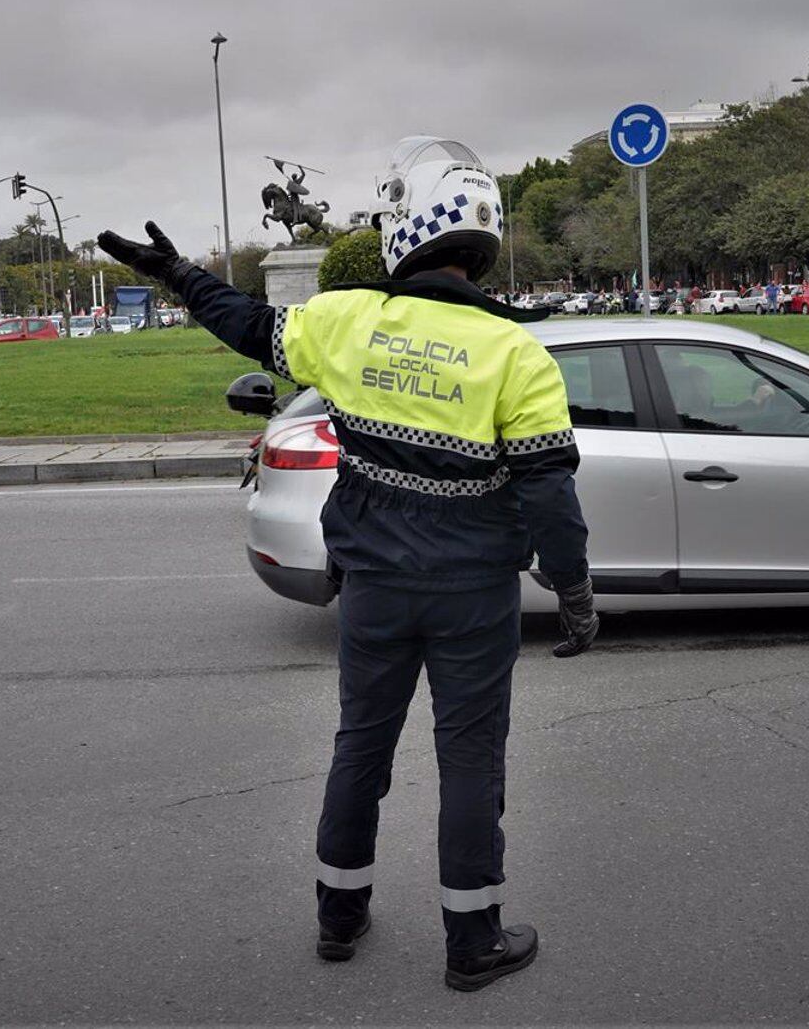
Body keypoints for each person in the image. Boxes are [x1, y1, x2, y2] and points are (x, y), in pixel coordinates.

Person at [97, 136, 595, 993]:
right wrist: (577, 595)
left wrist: (180, 275)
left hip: (370, 586)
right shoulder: (519, 355)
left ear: (404, 231)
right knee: (471, 758)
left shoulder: (344, 318)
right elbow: (551, 497)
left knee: (359, 746)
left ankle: (339, 916)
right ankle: (471, 943)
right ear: (484, 241)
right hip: (474, 594)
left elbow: (247, 324)